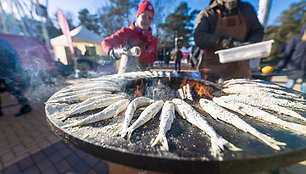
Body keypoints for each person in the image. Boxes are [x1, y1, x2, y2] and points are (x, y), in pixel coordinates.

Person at [194, 0, 264, 81]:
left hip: (241, 70)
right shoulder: (208, 13)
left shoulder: (246, 9)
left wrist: (251, 44)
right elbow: (199, 38)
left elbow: (257, 31)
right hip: (213, 72)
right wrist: (228, 42)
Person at [102, 1, 157, 72]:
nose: (147, 20)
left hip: (143, 75)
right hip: (124, 74)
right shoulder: (125, 32)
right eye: (144, 16)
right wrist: (111, 51)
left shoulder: (151, 39)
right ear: (138, 16)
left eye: (150, 18)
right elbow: (106, 42)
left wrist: (137, 51)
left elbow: (152, 57)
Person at [0, 38, 32, 117]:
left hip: (6, 71)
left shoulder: (3, 43)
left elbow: (13, 55)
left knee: (13, 89)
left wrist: (17, 69)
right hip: (3, 71)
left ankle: (26, 106)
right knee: (13, 88)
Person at [274, 23, 306, 94]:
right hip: (294, 69)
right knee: (289, 89)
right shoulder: (296, 38)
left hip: (300, 69)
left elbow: (287, 53)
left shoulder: (296, 38)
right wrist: (279, 66)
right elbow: (287, 53)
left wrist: (280, 66)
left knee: (300, 91)